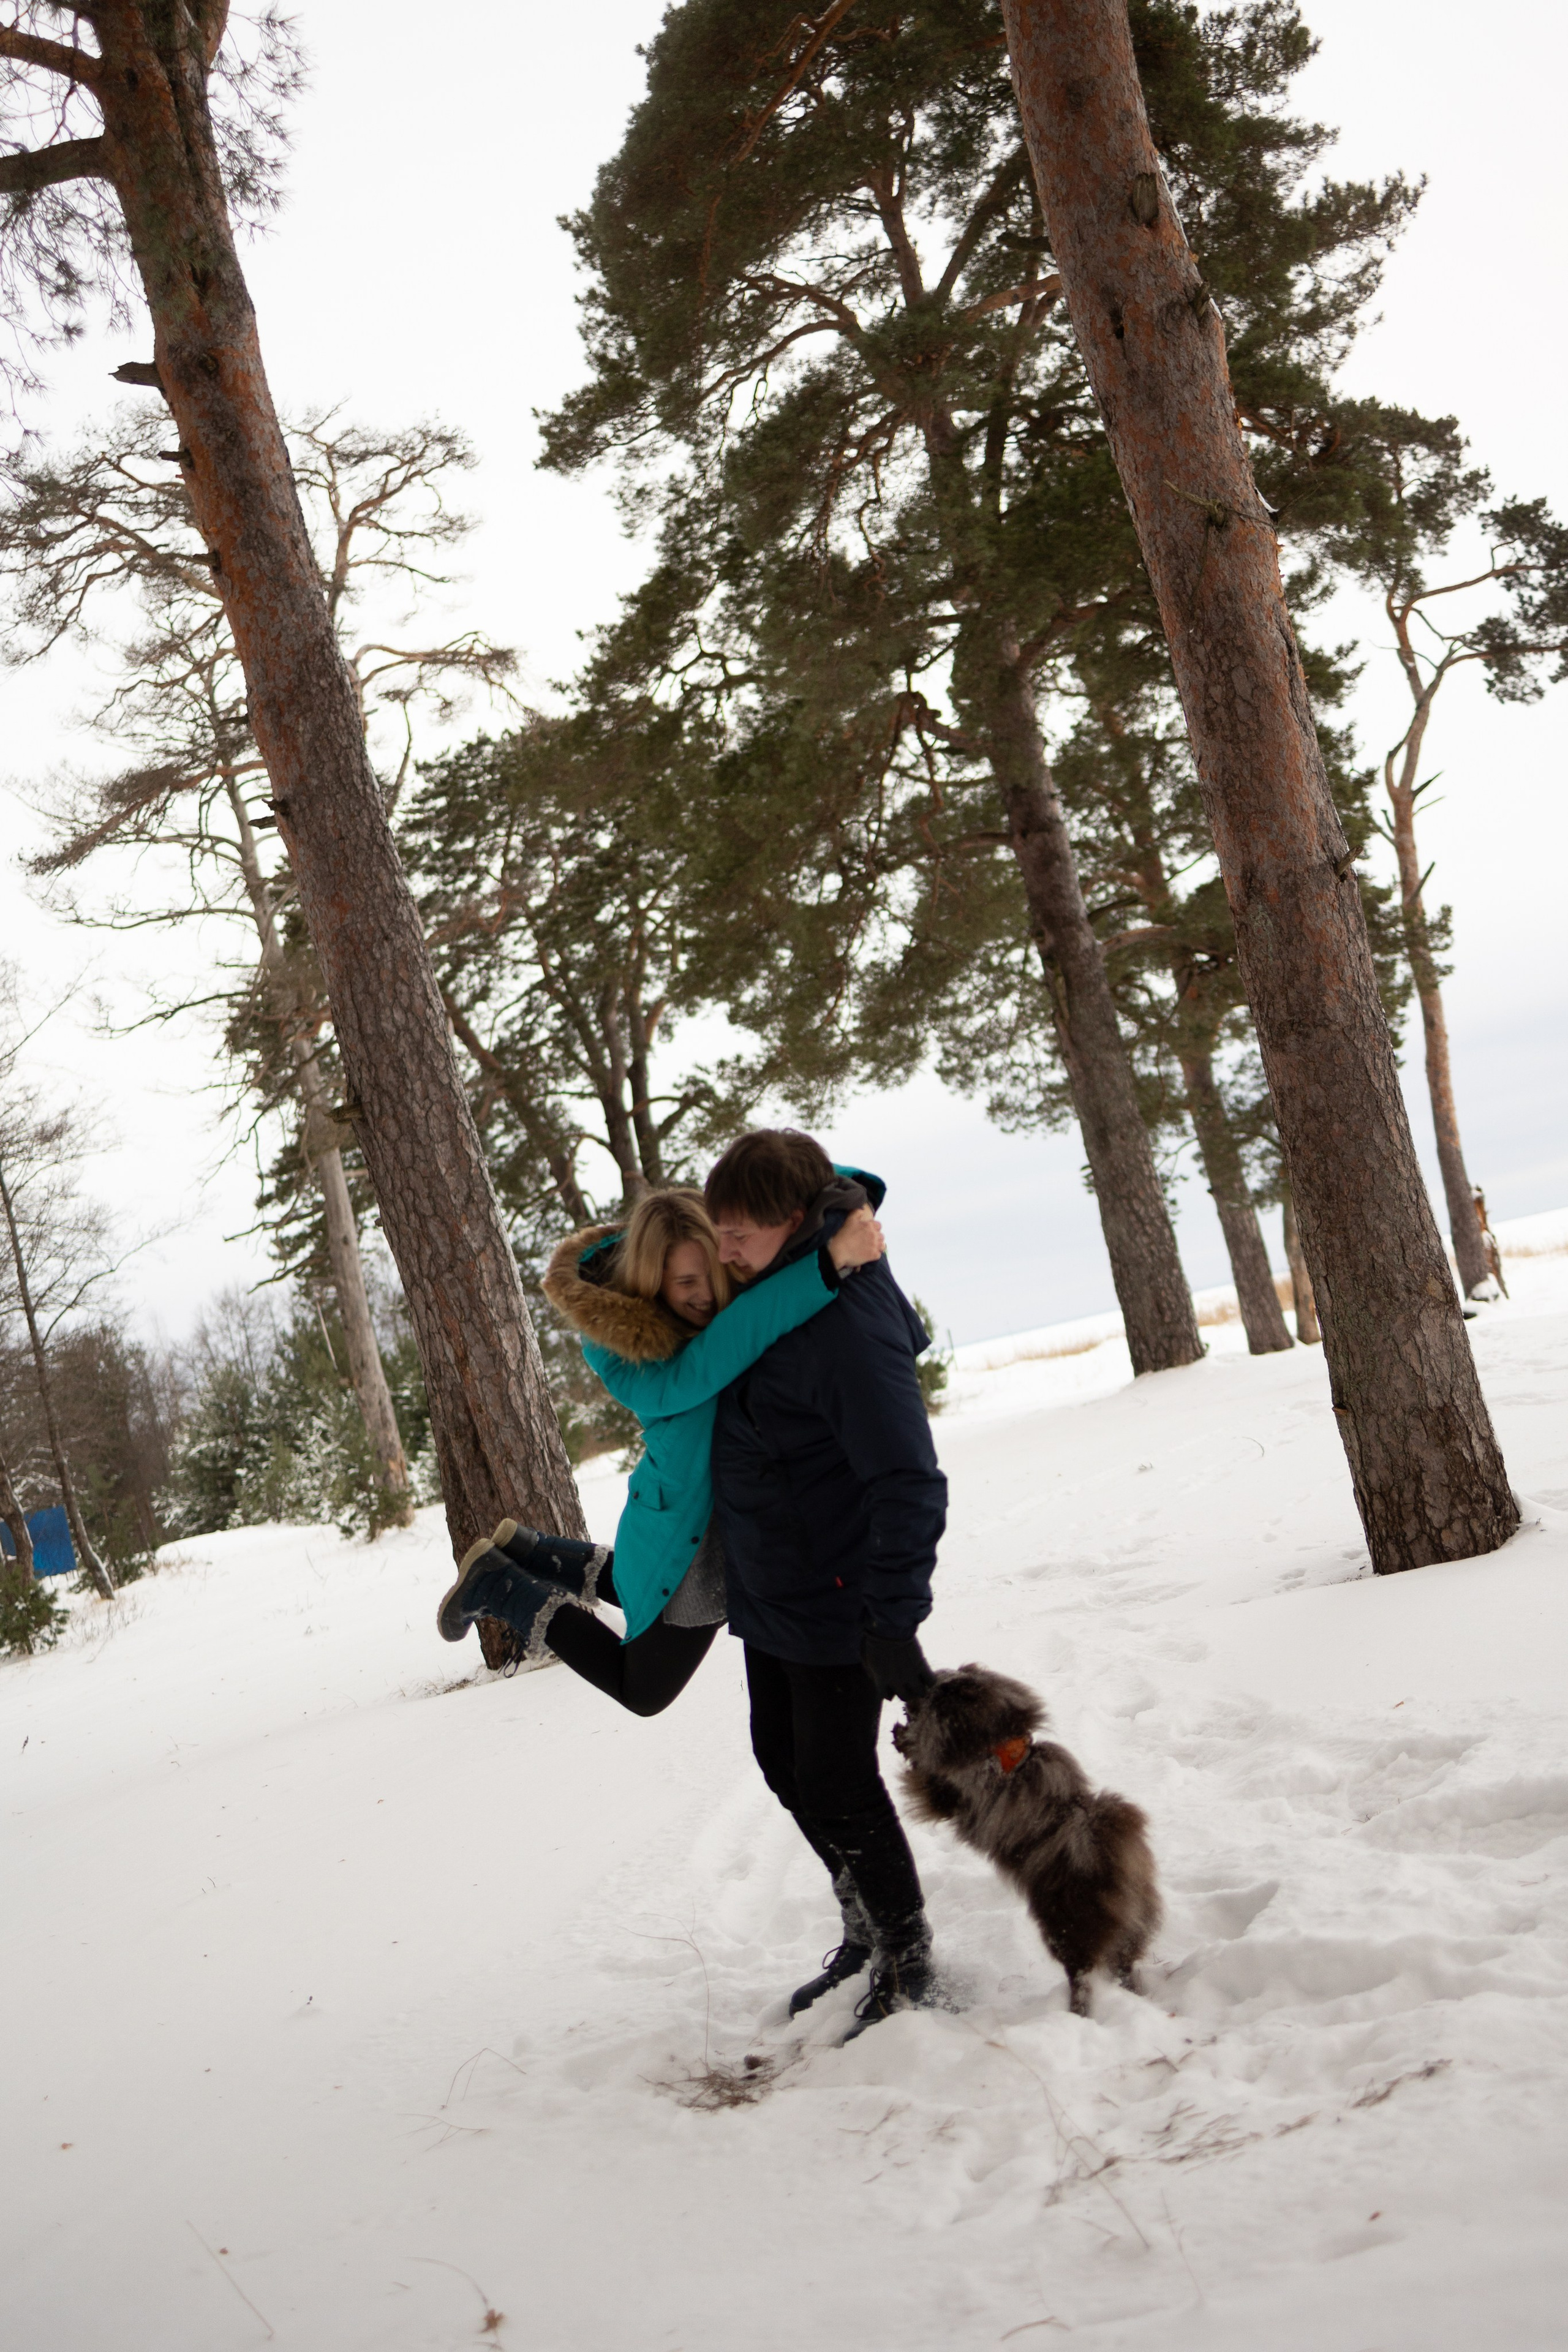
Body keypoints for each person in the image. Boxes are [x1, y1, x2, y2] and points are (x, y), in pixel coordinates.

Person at [435, 1187, 886, 1716]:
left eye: (709, 1277)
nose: (705, 1296)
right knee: (643, 1689)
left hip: (714, 1516)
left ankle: (535, 1551)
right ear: (653, 1285)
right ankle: (501, 1585)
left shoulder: (722, 1303)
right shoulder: (639, 1363)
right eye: (685, 1283)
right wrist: (828, 1262)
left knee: (638, 1585)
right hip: (693, 1536)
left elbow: (822, 1185)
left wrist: (842, 1202)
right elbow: (732, 1343)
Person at [703, 1129, 948, 2037]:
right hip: (775, 1584)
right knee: (784, 1762)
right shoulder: (781, 1286)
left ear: (798, 1220)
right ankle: (864, 1931)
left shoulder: (845, 1324)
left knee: (839, 1778)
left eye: (741, 1233)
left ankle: (909, 1958)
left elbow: (909, 1480)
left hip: (839, 1586)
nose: (722, 1250)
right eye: (717, 1229)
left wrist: (892, 1616)